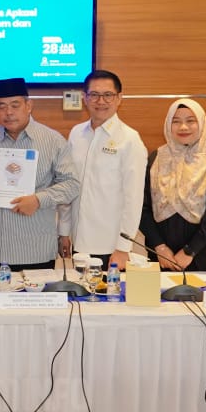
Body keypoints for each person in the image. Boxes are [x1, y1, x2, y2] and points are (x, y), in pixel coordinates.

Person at [0, 78, 80, 270]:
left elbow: (72, 184)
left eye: (15, 105)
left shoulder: (52, 140)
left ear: (29, 105)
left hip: (36, 249)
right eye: (1, 106)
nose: (8, 112)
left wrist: (39, 200)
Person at [66, 69, 147, 270]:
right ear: (85, 98)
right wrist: (64, 231)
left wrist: (123, 247)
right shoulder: (76, 134)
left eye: (108, 95)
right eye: (94, 94)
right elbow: (68, 185)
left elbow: (134, 199)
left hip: (110, 246)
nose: (100, 101)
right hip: (78, 241)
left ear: (119, 98)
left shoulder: (130, 139)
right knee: (79, 290)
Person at [140, 98, 206, 272]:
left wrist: (189, 251)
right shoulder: (156, 159)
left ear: (202, 123)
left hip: (202, 254)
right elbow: (142, 206)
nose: (183, 127)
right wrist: (159, 246)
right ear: (168, 124)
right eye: (176, 121)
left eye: (191, 121)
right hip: (161, 257)